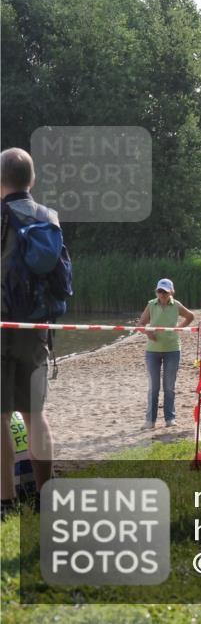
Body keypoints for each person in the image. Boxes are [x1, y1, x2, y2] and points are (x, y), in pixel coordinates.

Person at [1, 148, 56, 514]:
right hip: (36, 327)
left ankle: (5, 502)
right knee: (36, 414)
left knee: (0, 416)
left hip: (1, 324)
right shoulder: (48, 216)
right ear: (32, 180)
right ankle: (46, 496)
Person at [138, 278, 195, 429]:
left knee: (169, 386)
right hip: (152, 350)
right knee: (154, 387)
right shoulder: (151, 304)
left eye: (165, 292)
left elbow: (190, 316)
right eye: (160, 291)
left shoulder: (176, 305)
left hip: (172, 349)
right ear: (156, 291)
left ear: (171, 292)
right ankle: (150, 421)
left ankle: (170, 418)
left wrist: (179, 328)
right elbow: (141, 324)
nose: (162, 294)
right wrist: (147, 333)